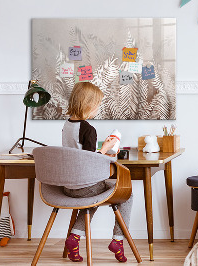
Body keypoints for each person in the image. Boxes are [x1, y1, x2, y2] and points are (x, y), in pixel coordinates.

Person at [62, 82, 132, 263]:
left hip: (68, 186)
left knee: (92, 197)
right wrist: (107, 148)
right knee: (127, 194)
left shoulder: (67, 125)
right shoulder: (88, 129)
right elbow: (90, 161)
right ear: (88, 104)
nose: (98, 109)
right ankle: (118, 240)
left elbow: (79, 154)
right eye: (97, 105)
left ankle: (74, 238)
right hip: (85, 186)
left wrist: (102, 149)